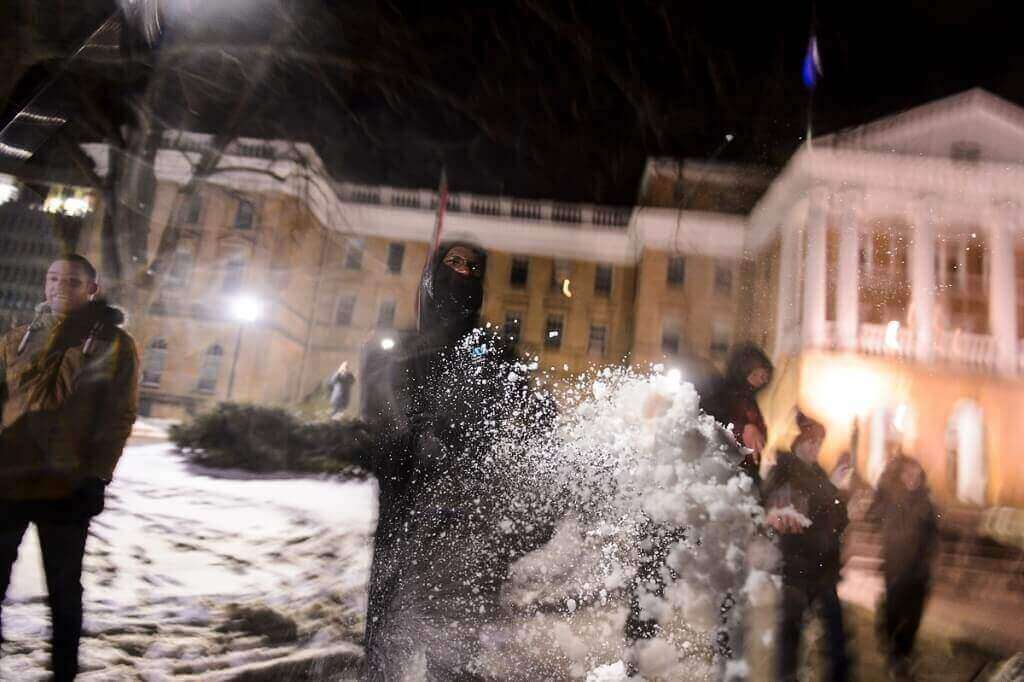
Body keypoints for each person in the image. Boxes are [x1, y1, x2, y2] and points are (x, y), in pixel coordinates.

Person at [360, 241, 554, 680]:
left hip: (463, 523)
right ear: (433, 274)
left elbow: (530, 413)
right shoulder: (396, 350)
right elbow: (377, 423)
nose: (463, 271)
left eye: (472, 266)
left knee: (454, 644)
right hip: (403, 515)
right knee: (387, 638)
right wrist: (408, 437)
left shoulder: (490, 353)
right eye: (454, 262)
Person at [0, 254, 139, 680]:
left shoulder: (115, 345)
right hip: (7, 482)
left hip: (66, 486)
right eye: (54, 278)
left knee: (63, 592)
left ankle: (63, 673)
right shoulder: (18, 336)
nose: (61, 286)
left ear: (91, 289)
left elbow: (118, 417)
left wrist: (97, 477)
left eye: (73, 281)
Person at [763, 412, 849, 682]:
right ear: (797, 443)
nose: (815, 448)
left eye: (818, 443)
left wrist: (837, 496)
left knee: (836, 637)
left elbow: (838, 519)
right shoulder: (783, 471)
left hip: (823, 567)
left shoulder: (820, 473)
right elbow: (799, 512)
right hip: (796, 568)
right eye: (810, 442)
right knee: (791, 635)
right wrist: (832, 490)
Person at [867, 454, 938, 679]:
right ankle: (894, 651)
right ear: (901, 475)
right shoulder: (891, 499)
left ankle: (903, 654)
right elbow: (874, 514)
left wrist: (930, 559)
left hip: (920, 570)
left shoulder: (926, 501)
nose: (913, 478)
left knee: (914, 615)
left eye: (917, 474)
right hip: (896, 566)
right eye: (908, 473)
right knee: (895, 611)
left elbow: (932, 533)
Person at [702, 343, 773, 485]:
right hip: (724, 473)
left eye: (764, 376)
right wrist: (742, 429)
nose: (760, 381)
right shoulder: (722, 395)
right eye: (754, 375)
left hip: (750, 473)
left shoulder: (757, 401)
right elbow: (713, 422)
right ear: (741, 373)